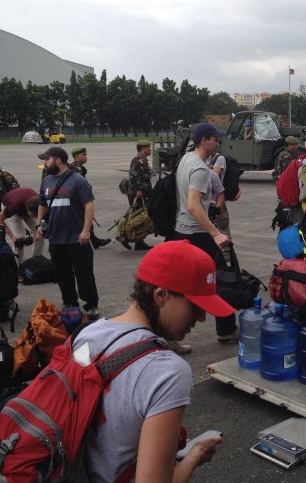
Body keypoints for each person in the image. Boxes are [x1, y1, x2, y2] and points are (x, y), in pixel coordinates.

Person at [76, 240, 230, 481]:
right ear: (161, 295)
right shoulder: (167, 371)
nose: (202, 317)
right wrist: (194, 456)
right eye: (195, 305)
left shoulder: (87, 334)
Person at [173, 123, 236, 343]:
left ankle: (171, 336)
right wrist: (215, 233)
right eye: (215, 140)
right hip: (197, 234)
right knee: (219, 280)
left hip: (181, 231)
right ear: (204, 141)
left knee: (180, 286)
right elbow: (193, 205)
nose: (217, 143)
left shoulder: (185, 159)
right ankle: (226, 329)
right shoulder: (200, 168)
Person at [35, 146, 100, 320]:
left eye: (46, 159)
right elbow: (42, 204)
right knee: (62, 274)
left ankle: (91, 304)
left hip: (77, 238)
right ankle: (70, 302)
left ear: (57, 160)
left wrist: (86, 230)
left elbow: (89, 205)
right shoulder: (46, 181)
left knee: (84, 273)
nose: (44, 163)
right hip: (56, 238)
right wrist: (38, 224)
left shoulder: (78, 180)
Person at [69, 147, 111, 249]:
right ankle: (86, 241)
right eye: (84, 155)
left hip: (77, 199)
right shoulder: (77, 168)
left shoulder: (75, 167)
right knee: (83, 220)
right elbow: (78, 186)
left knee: (85, 219)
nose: (86, 157)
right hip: (78, 199)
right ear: (77, 156)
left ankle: (95, 240)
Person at [0, 187, 44, 265]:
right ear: (27, 209)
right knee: (19, 238)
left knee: (40, 234)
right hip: (10, 206)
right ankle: (16, 269)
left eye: (36, 216)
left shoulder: (41, 203)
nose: (35, 218)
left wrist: (39, 227)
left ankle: (35, 263)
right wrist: (12, 236)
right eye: (34, 216)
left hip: (27, 204)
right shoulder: (14, 206)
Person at [120, 140, 153, 251]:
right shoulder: (138, 160)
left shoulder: (142, 160)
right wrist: (139, 190)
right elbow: (135, 175)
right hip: (138, 193)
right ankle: (123, 236)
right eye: (149, 147)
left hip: (141, 191)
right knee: (135, 217)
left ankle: (139, 242)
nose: (150, 149)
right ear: (143, 148)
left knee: (139, 218)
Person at [207, 151, 232, 264]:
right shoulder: (203, 160)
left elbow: (215, 175)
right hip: (206, 201)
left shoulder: (219, 158)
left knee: (222, 227)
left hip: (217, 200)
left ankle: (227, 255)